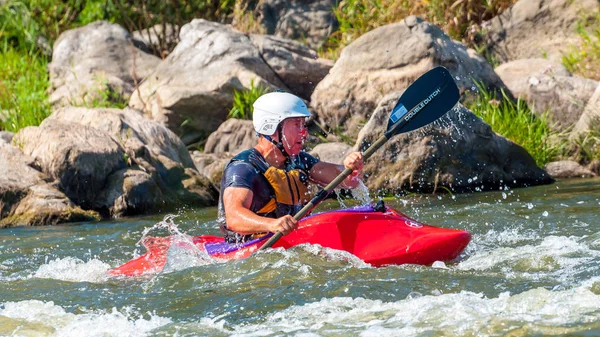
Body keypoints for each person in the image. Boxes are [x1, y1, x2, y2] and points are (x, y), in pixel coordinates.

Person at [217, 91, 365, 243]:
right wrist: (272, 224)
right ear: (271, 127)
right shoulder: (243, 168)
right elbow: (233, 218)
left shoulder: (299, 161)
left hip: (291, 246)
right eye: (296, 124)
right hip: (247, 252)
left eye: (303, 124)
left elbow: (348, 181)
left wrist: (351, 167)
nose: (304, 133)